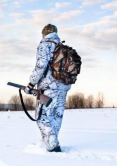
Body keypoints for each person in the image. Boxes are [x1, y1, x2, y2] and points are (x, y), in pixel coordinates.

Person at [24, 24, 71, 152]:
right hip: (63, 87)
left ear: (44, 33)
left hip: (49, 88)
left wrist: (31, 84)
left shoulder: (44, 45)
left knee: (42, 118)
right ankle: (53, 142)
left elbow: (41, 66)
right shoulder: (62, 47)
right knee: (56, 117)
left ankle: (52, 146)